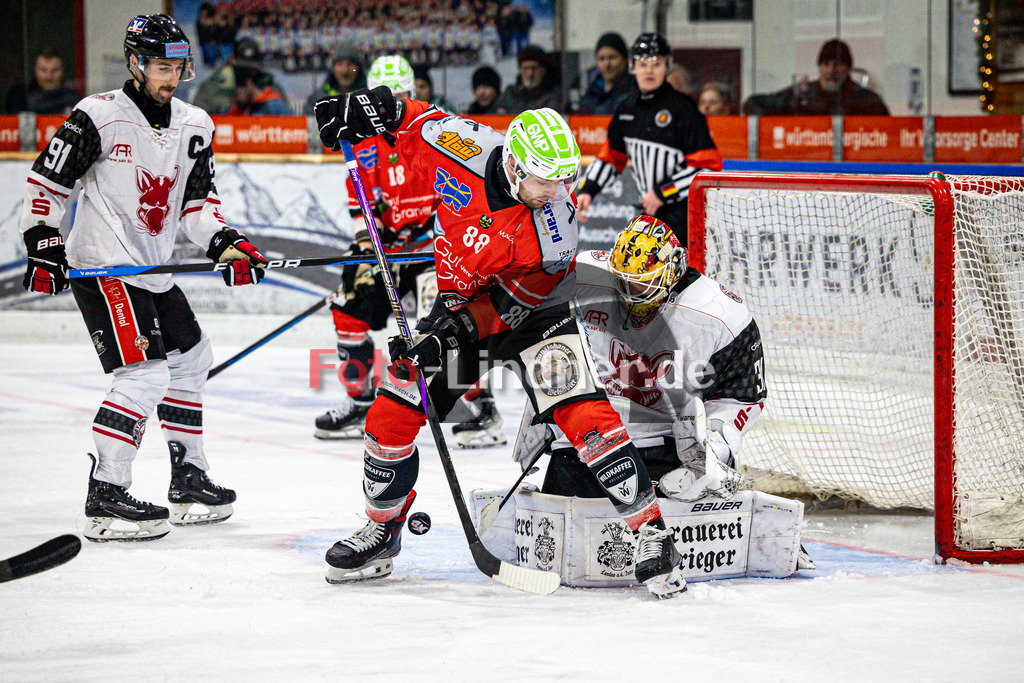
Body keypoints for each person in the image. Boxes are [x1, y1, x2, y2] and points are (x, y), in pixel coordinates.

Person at [314, 90, 688, 597]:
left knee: (582, 413)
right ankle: (383, 529)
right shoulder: (460, 145)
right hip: (458, 305)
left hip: (536, 315)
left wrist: (448, 334)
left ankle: (652, 533)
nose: (554, 190)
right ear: (513, 165)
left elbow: (515, 304)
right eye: (543, 179)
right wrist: (369, 108)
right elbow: (411, 117)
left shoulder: (557, 224)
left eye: (561, 178)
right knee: (391, 412)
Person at [19, 14, 266, 542]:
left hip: (151, 268)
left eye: (178, 67)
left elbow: (197, 206)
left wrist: (226, 243)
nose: (171, 78)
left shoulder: (195, 124)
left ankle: (189, 475)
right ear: (135, 63)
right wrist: (42, 242)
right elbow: (47, 182)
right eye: (161, 67)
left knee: (191, 359)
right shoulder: (99, 115)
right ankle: (106, 492)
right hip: (103, 265)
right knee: (144, 375)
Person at [313, 54, 504, 448]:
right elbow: (361, 204)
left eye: (399, 95)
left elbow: (459, 197)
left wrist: (439, 237)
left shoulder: (434, 134)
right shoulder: (363, 144)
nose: (390, 106)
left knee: (447, 321)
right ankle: (360, 402)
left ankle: (482, 406)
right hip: (389, 250)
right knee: (347, 306)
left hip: (435, 249)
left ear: (411, 93)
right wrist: (365, 242)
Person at [515, 215, 765, 505]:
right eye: (620, 281)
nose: (627, 293)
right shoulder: (582, 277)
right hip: (587, 437)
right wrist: (546, 402)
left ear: (672, 272)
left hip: (664, 445)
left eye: (640, 285)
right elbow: (536, 331)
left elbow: (743, 396)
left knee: (653, 517)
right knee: (562, 516)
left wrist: (716, 443)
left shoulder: (721, 314)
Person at [577, 33, 723, 243]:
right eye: (643, 64)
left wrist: (662, 193)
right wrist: (588, 189)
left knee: (683, 265)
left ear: (667, 67)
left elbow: (707, 168)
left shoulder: (684, 109)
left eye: (656, 63)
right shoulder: (626, 109)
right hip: (650, 215)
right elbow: (611, 157)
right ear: (633, 67)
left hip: (687, 216)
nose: (649, 70)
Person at [742, 38, 890, 116]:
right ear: (819, 67)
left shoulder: (866, 100)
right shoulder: (804, 94)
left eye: (837, 64)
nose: (831, 70)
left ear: (848, 68)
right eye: (826, 64)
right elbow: (751, 105)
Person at [5, 49, 83, 115]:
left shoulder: (74, 100)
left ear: (62, 71)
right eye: (43, 70)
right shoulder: (20, 98)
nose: (48, 77)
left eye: (54, 71)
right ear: (35, 70)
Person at [575, 32, 633, 115]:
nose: (607, 64)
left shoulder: (634, 93)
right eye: (601, 59)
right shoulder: (590, 95)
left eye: (612, 57)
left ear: (625, 60)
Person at [494, 44, 561, 115]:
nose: (530, 74)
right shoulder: (510, 93)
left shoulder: (552, 96)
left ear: (543, 70)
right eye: (526, 68)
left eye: (534, 68)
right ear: (520, 70)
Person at [302, 45, 366, 116]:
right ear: (332, 68)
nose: (345, 70)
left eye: (350, 64)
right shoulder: (317, 100)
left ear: (359, 68)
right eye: (340, 64)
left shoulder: (370, 97)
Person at [227, 63, 292, 115]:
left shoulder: (275, 107)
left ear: (249, 84)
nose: (234, 96)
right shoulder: (233, 110)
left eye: (237, 93)